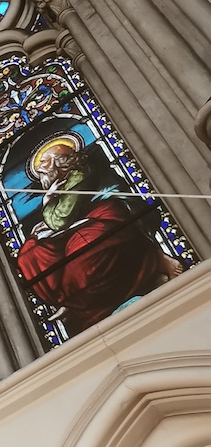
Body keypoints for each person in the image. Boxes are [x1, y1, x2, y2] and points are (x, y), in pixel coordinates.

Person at [15, 137, 183, 335]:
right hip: (82, 223)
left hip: (108, 215)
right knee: (29, 253)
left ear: (58, 161)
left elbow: (59, 220)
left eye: (43, 163)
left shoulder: (79, 176)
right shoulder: (64, 181)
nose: (40, 169)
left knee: (84, 255)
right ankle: (69, 299)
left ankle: (156, 259)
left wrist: (48, 200)